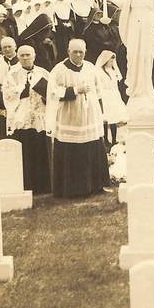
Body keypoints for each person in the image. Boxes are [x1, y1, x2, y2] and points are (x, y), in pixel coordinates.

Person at [46, 39, 112, 198]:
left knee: (93, 146)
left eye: (81, 52)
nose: (78, 55)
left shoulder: (90, 68)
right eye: (75, 51)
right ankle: (72, 188)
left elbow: (99, 90)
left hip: (90, 115)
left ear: (85, 52)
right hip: (70, 114)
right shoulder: (59, 70)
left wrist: (100, 112)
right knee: (72, 150)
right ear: (68, 52)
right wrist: (75, 90)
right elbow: (53, 92)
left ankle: (96, 185)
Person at [2, 45, 52, 195]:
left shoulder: (43, 72)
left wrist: (44, 95)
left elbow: (52, 94)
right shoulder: (12, 74)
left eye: (28, 55)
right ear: (17, 57)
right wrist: (22, 90)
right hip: (22, 117)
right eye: (22, 55)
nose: (25, 58)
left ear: (34, 56)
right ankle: (26, 184)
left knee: (41, 149)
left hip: (39, 116)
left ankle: (44, 185)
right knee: (25, 152)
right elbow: (7, 95)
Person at [95, 50, 129, 147]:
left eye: (113, 61)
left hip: (113, 95)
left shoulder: (113, 71)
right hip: (105, 95)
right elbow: (99, 85)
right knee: (105, 118)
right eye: (110, 60)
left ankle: (114, 139)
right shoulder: (99, 71)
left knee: (114, 117)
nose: (112, 62)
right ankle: (105, 140)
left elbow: (116, 84)